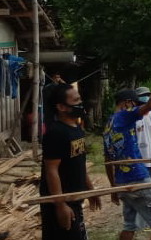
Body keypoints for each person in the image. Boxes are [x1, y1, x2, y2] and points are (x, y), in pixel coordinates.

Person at [103, 70, 151, 240]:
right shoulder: (124, 116)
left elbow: (107, 160)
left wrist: (114, 187)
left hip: (123, 183)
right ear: (127, 103)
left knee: (130, 226)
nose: (137, 108)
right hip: (137, 179)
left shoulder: (109, 124)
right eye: (135, 105)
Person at [40, 83, 101, 240]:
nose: (81, 104)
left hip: (75, 200)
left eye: (80, 99)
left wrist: (90, 190)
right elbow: (51, 170)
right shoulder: (56, 133)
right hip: (61, 203)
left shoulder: (76, 128)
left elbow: (79, 163)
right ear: (61, 107)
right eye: (76, 101)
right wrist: (60, 205)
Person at [134, 86, 151, 180]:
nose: (146, 97)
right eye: (143, 95)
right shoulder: (131, 117)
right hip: (137, 159)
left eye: (147, 95)